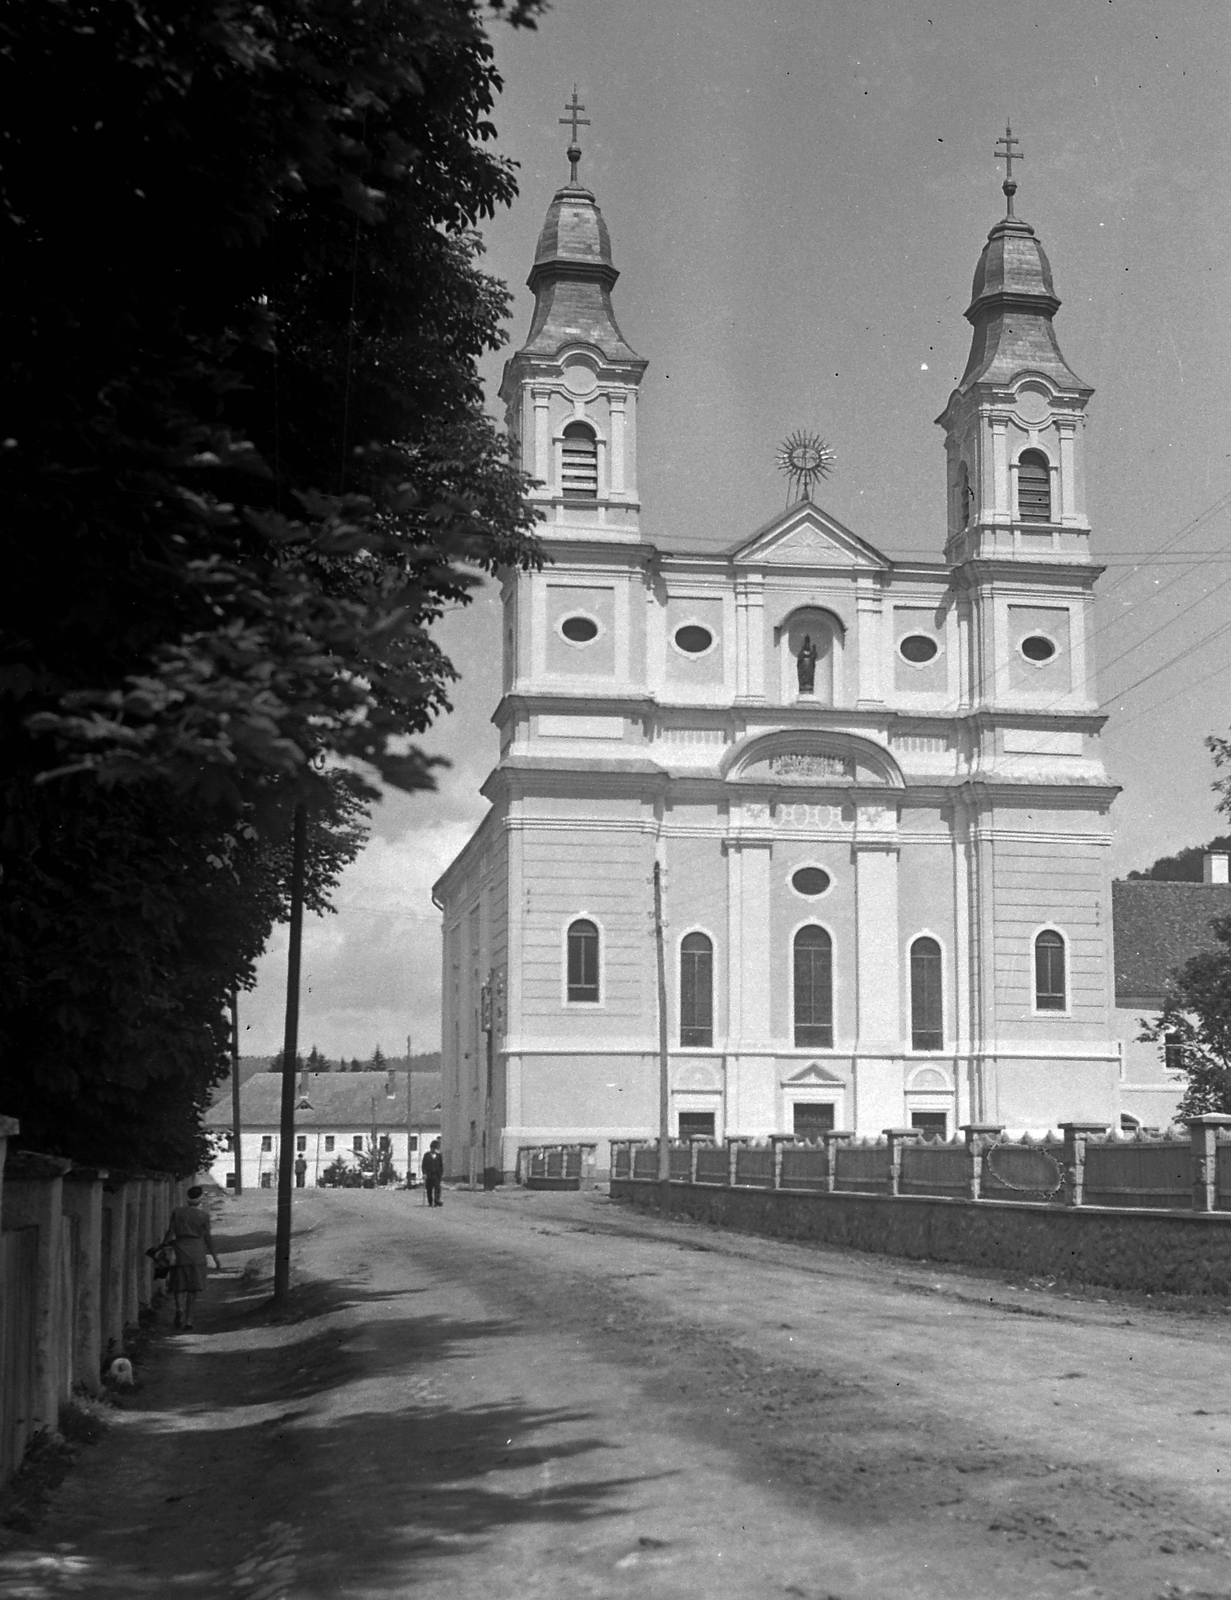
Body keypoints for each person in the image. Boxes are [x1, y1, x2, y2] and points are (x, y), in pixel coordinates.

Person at [162, 1186, 222, 1330]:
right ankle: (189, 1320)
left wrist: (163, 1246)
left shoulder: (178, 1212)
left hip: (179, 1249)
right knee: (192, 1288)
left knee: (178, 1283)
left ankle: (179, 1309)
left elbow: (170, 1231)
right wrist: (215, 1257)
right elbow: (207, 1237)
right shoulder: (203, 1216)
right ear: (200, 1198)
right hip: (196, 1251)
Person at [422, 1139, 443, 1208]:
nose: (433, 1149)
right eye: (432, 1148)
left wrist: (440, 1174)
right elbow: (423, 1165)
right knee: (429, 1189)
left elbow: (441, 1165)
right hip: (429, 1175)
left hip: (436, 1175)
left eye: (435, 1148)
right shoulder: (426, 1155)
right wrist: (424, 1173)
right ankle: (430, 1202)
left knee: (437, 1188)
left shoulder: (439, 1156)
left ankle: (436, 1201)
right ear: (430, 1148)